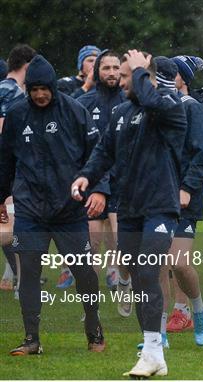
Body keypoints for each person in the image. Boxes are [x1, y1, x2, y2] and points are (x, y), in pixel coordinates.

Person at [72, 50, 188, 377]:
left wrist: (139, 71)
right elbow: (104, 152)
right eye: (122, 76)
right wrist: (87, 175)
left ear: (145, 78)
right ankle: (153, 352)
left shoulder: (169, 107)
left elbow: (152, 102)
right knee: (139, 278)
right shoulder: (122, 112)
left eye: (128, 76)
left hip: (160, 207)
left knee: (149, 273)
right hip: (130, 209)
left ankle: (152, 352)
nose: (122, 82)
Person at [0, 54, 107, 355]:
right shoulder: (18, 115)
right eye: (34, 89)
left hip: (69, 209)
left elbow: (96, 157)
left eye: (44, 88)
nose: (39, 94)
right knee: (29, 272)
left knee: (85, 273)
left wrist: (99, 190)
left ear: (53, 87)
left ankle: (94, 330)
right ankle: (31, 338)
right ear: (28, 90)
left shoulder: (75, 112)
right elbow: (6, 161)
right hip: (30, 210)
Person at [153, 55, 203, 346]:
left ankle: (198, 309)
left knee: (178, 262)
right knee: (158, 264)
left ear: (182, 79)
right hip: (156, 195)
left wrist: (187, 187)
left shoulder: (194, 110)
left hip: (184, 198)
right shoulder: (157, 107)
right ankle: (159, 332)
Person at [77, 50, 129, 301]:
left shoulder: (130, 102)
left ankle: (123, 283)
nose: (111, 72)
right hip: (94, 182)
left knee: (122, 245)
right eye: (106, 68)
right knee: (91, 246)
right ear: (96, 71)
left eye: (115, 67)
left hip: (123, 183)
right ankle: (91, 301)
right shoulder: (85, 103)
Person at [0, 44, 36, 292]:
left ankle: (20, 283)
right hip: (9, 171)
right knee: (16, 229)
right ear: (28, 66)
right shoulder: (14, 94)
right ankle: (24, 286)